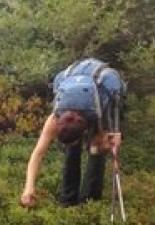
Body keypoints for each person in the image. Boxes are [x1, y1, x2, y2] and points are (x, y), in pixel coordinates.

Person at [21, 58, 125, 208]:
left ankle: (89, 204)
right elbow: (37, 153)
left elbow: (112, 135)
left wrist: (112, 138)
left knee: (97, 149)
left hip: (100, 92)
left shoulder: (97, 114)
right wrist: (28, 188)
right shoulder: (55, 118)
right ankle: (68, 202)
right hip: (76, 85)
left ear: (84, 131)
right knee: (71, 151)